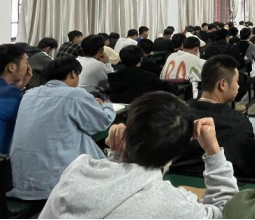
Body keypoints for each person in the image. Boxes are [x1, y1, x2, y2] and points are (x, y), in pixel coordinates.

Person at [39, 92, 239, 219]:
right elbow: (229, 211)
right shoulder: (173, 205)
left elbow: (106, 196)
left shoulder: (78, 170)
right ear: (173, 154)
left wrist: (116, 156)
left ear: (127, 130)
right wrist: (213, 151)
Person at [8, 57, 116, 201]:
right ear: (73, 74)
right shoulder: (75, 94)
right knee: (83, 135)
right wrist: (107, 105)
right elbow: (102, 122)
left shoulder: (29, 94)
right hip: (54, 185)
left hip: (19, 181)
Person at [170, 56, 255, 178]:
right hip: (221, 183)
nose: (238, 86)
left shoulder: (177, 114)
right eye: (236, 82)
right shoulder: (239, 123)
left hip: (176, 180)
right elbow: (247, 165)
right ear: (223, 84)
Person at [109, 46, 178, 104]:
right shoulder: (149, 77)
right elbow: (169, 89)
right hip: (144, 111)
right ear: (141, 59)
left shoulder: (113, 77)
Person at [0, 45, 33, 155]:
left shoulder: (10, 92)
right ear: (12, 67)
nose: (29, 67)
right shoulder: (12, 95)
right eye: (26, 62)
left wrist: (19, 87)